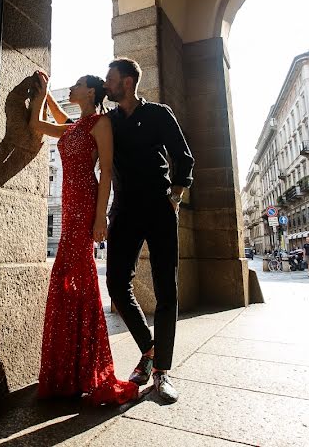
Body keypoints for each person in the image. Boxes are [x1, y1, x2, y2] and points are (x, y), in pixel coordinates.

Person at [29, 71, 138, 405]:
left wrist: (100, 215)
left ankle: (84, 367)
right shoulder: (73, 126)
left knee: (80, 280)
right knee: (67, 281)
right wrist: (44, 93)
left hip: (84, 207)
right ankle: (69, 369)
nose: (72, 88)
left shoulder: (100, 124)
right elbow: (37, 124)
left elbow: (105, 170)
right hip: (69, 206)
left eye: (77, 85)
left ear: (90, 92)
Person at [103, 58, 194, 403]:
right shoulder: (108, 120)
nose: (107, 84)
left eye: (111, 79)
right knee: (115, 283)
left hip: (159, 207)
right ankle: (150, 350)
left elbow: (184, 157)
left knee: (165, 289)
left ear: (127, 82)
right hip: (125, 209)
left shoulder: (158, 113)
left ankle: (161, 372)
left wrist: (176, 197)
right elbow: (74, 128)